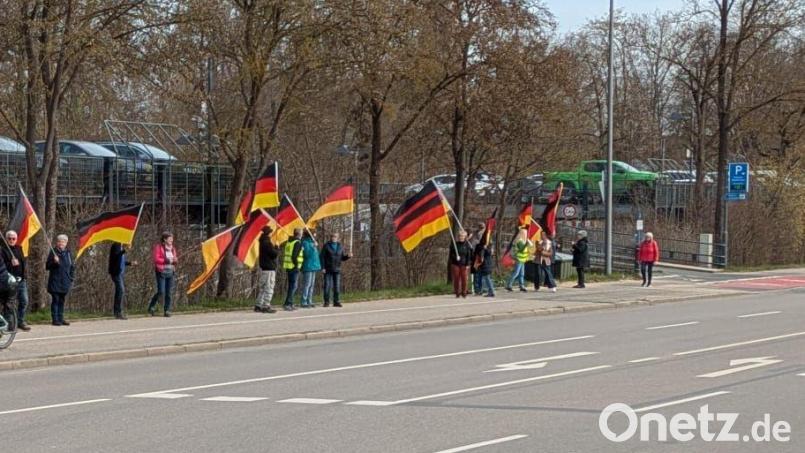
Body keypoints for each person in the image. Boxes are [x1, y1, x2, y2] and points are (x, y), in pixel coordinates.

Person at [1, 231, 30, 331]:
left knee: (24, 301)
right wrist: (11, 263)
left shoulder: (19, 248)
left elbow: (22, 263)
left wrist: (24, 275)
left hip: (21, 280)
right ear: (6, 239)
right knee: (9, 303)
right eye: (9, 238)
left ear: (16, 239)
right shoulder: (2, 250)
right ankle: (9, 323)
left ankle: (20, 321)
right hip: (9, 281)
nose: (12, 240)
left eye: (14, 238)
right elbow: (2, 267)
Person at [46, 234, 75, 326]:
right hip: (55, 281)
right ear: (57, 242)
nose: (61, 243)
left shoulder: (68, 253)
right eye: (59, 241)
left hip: (65, 281)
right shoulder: (53, 252)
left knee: (62, 300)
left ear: (66, 243)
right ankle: (55, 319)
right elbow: (47, 266)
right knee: (56, 299)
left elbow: (72, 266)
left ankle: (61, 318)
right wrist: (54, 262)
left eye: (63, 242)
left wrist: (71, 277)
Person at [148, 232, 178, 317]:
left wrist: (175, 261)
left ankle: (167, 310)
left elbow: (175, 259)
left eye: (172, 238)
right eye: (170, 238)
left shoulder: (173, 248)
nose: (171, 240)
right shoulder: (158, 247)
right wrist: (167, 261)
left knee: (169, 292)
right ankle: (151, 306)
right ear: (165, 239)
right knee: (161, 291)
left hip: (170, 272)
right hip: (161, 272)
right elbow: (156, 259)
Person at [320, 232, 351, 307]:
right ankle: (326, 302)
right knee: (327, 286)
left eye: (335, 236)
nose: (334, 238)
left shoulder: (340, 246)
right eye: (332, 236)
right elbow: (322, 257)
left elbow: (342, 258)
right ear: (330, 237)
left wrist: (348, 256)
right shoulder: (326, 246)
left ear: (338, 238)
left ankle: (336, 301)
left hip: (337, 269)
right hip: (328, 269)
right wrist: (323, 267)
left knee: (337, 286)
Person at [108, 242, 137, 320]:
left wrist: (130, 263)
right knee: (121, 290)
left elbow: (120, 261)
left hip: (120, 272)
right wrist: (124, 250)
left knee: (119, 291)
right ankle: (118, 312)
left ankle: (117, 312)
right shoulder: (116, 245)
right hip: (115, 272)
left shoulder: (120, 246)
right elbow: (116, 257)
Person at [255, 226, 279, 313]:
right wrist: (276, 247)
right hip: (269, 268)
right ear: (268, 233)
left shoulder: (262, 241)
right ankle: (266, 305)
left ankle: (258, 304)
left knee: (263, 287)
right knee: (269, 287)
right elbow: (274, 254)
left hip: (264, 268)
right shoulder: (267, 243)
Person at [283, 228, 304, 311]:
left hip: (288, 266)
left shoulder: (289, 242)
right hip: (293, 267)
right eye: (301, 233)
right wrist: (297, 265)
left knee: (291, 286)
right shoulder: (297, 243)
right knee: (293, 286)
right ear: (299, 234)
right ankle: (288, 303)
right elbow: (294, 256)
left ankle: (289, 302)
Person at [448, 230, 474, 298]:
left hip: (464, 264)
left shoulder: (467, 245)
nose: (461, 237)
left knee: (464, 279)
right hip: (455, 264)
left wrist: (468, 264)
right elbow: (451, 254)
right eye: (460, 236)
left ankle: (464, 292)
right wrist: (455, 257)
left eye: (462, 236)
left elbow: (469, 255)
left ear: (465, 237)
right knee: (456, 279)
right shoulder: (455, 244)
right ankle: (457, 292)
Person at [505, 228, 532, 292]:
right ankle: (508, 285)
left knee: (522, 274)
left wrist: (528, 244)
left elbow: (527, 248)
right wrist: (526, 244)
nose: (526, 235)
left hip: (523, 259)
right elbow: (521, 249)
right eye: (525, 233)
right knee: (516, 273)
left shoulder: (523, 241)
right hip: (519, 259)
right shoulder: (519, 241)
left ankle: (521, 286)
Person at [299, 230, 321, 308]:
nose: (315, 235)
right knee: (307, 284)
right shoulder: (305, 243)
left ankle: (309, 300)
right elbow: (307, 254)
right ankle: (303, 301)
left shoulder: (313, 242)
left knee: (311, 285)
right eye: (314, 234)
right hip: (308, 266)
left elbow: (315, 255)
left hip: (314, 266)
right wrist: (313, 246)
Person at [469, 222, 486, 296]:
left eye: (483, 227)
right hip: (476, 257)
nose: (482, 229)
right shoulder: (474, 236)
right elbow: (472, 247)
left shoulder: (486, 235)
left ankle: (482, 288)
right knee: (477, 273)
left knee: (483, 273)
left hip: (484, 256)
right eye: (480, 227)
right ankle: (477, 289)